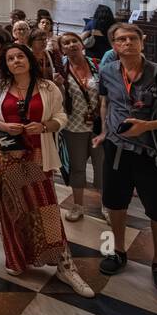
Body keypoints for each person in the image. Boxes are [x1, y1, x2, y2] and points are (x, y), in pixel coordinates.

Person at [93, 22, 157, 294]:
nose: (126, 43)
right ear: (114, 46)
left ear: (142, 42)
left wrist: (150, 126)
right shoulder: (106, 72)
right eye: (120, 39)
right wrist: (105, 131)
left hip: (152, 154)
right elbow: (105, 103)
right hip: (117, 151)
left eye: (131, 38)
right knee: (116, 205)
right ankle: (118, 251)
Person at [0, 42, 95, 296]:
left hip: (37, 154)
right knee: (12, 207)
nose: (15, 62)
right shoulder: (0, 86)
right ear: (6, 64)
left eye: (20, 56)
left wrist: (44, 127)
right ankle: (17, 258)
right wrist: (2, 125)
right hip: (7, 155)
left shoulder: (47, 87)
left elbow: (62, 117)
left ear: (29, 59)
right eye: (10, 59)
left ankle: (64, 265)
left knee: (44, 207)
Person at [57, 32, 101, 220]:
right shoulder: (61, 71)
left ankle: (107, 205)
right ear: (62, 50)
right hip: (73, 127)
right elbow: (57, 101)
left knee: (102, 167)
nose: (72, 44)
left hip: (98, 127)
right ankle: (77, 205)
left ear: (82, 44)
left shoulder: (96, 65)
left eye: (75, 41)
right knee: (77, 168)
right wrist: (59, 85)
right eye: (66, 43)